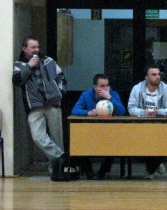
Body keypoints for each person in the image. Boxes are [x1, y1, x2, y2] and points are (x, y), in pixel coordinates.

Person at [13, 36, 68, 181]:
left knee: (57, 138)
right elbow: (17, 81)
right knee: (38, 137)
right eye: (33, 47)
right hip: (35, 107)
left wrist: (60, 93)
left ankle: (56, 172)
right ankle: (60, 156)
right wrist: (28, 66)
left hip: (53, 104)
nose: (37, 50)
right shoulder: (19, 65)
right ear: (25, 49)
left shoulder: (49, 61)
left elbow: (61, 77)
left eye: (37, 47)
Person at [71, 73, 127, 180]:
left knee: (115, 141)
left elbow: (122, 112)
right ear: (95, 87)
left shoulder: (113, 95)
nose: (105, 88)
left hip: (109, 131)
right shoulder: (86, 95)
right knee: (79, 140)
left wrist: (109, 97)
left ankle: (103, 171)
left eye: (107, 85)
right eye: (102, 86)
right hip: (90, 131)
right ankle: (89, 172)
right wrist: (87, 113)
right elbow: (75, 110)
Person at [128, 64, 167, 179]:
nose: (158, 77)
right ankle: (155, 165)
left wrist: (158, 112)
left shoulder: (166, 90)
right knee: (136, 146)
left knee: (164, 143)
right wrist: (143, 113)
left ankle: (150, 170)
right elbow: (131, 108)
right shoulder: (137, 89)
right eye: (154, 74)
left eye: (159, 74)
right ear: (146, 77)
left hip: (162, 128)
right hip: (141, 128)